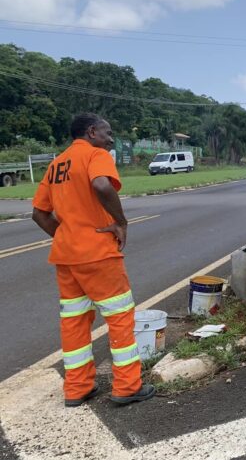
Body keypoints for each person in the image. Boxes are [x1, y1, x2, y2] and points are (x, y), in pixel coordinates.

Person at [31, 113, 155, 407]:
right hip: (99, 254)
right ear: (91, 132)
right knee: (120, 317)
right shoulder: (95, 155)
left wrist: (67, 236)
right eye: (107, 132)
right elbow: (101, 186)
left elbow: (39, 213)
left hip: (66, 258)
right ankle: (127, 387)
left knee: (74, 322)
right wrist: (121, 221)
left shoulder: (55, 165)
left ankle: (77, 388)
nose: (111, 138)